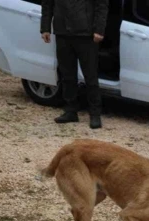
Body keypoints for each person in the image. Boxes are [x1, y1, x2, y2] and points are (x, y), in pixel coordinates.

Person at [40, 0, 109, 129]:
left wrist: (99, 29)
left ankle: (95, 114)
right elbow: (47, 4)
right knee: (67, 75)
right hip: (62, 33)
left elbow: (102, 5)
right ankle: (71, 111)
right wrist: (45, 28)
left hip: (86, 34)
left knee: (91, 76)